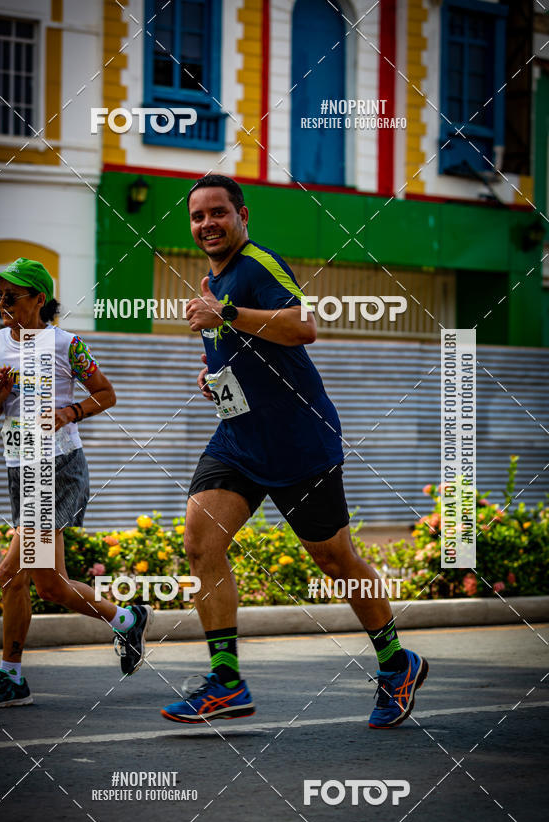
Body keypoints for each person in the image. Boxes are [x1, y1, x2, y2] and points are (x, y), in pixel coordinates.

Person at [160, 175, 428, 729]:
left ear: (243, 216)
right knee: (200, 543)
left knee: (335, 561)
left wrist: (226, 317)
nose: (207, 223)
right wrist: (214, 375)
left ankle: (397, 662)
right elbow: (245, 353)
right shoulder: (214, 281)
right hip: (237, 443)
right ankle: (227, 682)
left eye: (218, 213)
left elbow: (302, 327)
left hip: (299, 447)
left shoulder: (258, 265)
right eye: (197, 216)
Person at [0, 258, 150, 709]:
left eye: (11, 296)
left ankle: (11, 678)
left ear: (39, 300)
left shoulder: (66, 344)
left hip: (57, 468)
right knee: (48, 585)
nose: (2, 304)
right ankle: (126, 617)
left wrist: (69, 412)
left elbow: (107, 393)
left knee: (10, 572)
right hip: (19, 467)